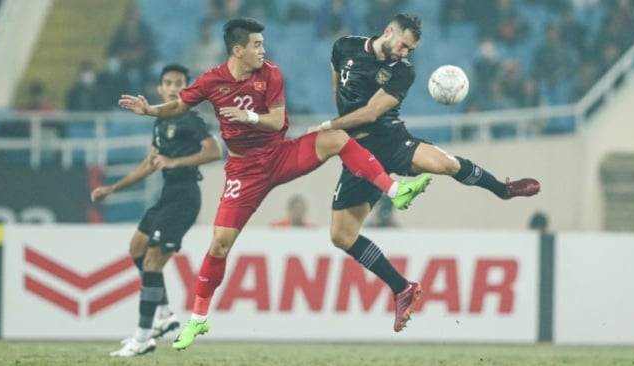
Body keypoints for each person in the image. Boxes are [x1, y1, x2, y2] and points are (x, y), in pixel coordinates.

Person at [118, 17, 431, 350]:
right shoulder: (212, 81)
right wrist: (151, 110)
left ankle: (395, 190)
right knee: (220, 244)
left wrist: (250, 117)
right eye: (256, 45)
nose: (262, 50)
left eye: (262, 44)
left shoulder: (271, 73)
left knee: (336, 137)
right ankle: (198, 319)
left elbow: (277, 120)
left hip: (280, 155)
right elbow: (181, 104)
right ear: (237, 50)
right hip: (244, 171)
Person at [308, 13, 541, 332]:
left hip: (389, 139)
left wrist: (329, 126)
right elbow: (338, 81)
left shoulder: (403, 72)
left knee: (445, 163)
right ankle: (401, 287)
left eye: (410, 49)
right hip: (359, 153)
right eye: (403, 45)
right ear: (389, 32)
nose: (405, 53)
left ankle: (502, 189)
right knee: (341, 235)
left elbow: (373, 112)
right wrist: (340, 128)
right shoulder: (344, 47)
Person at [92, 64, 223, 357]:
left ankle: (142, 338)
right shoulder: (161, 122)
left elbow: (214, 151)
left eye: (180, 83)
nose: (174, 87)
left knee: (152, 262)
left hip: (185, 197)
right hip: (168, 195)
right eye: (169, 82)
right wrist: (113, 189)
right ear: (160, 89)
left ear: (188, 89)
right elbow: (150, 163)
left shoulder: (191, 119)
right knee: (137, 249)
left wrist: (175, 163)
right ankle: (165, 315)